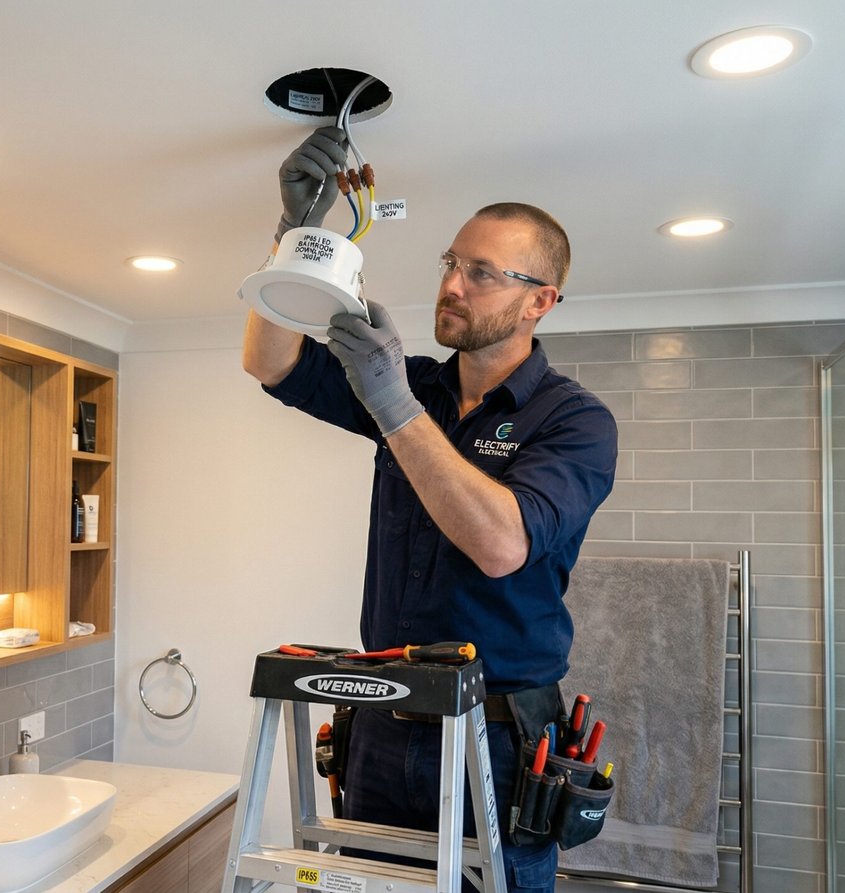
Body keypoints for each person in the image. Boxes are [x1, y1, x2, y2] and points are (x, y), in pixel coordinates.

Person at [242, 127, 619, 893]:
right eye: (453, 262)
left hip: (501, 737)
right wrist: (298, 236)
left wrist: (392, 403)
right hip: (382, 722)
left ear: (539, 301)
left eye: (484, 273)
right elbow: (269, 360)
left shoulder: (576, 421)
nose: (452, 284)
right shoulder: (416, 383)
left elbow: (501, 542)